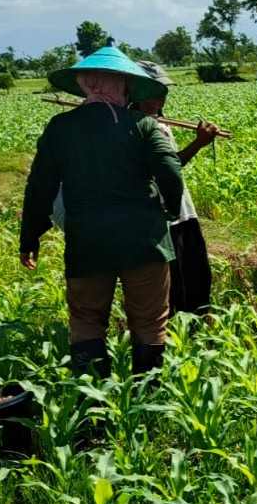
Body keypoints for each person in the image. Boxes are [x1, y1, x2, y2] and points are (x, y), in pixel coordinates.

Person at [20, 47, 184, 379]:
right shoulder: (144, 126)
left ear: (83, 84)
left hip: (87, 241)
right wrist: (168, 209)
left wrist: (31, 236)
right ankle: (147, 395)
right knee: (150, 320)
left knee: (86, 319)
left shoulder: (61, 128)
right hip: (145, 240)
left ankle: (95, 404)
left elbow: (40, 186)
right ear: (125, 86)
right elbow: (171, 172)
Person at [133, 61, 220, 317]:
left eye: (162, 92)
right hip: (162, 216)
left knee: (194, 276)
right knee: (174, 284)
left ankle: (194, 331)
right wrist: (199, 143)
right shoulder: (139, 127)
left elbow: (170, 165)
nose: (159, 99)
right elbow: (169, 167)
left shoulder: (158, 124)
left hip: (181, 211)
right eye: (152, 92)